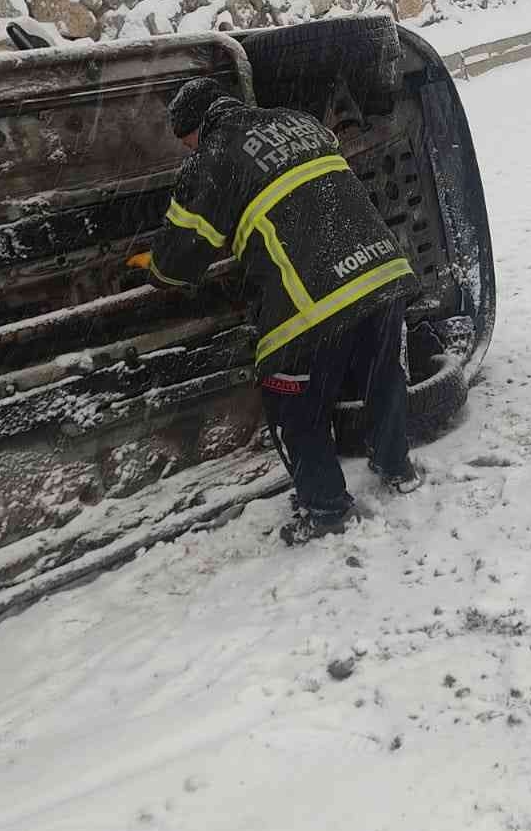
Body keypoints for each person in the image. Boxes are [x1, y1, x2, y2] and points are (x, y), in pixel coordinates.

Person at [143, 76, 422, 545]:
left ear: (196, 129)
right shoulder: (298, 121)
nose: (186, 150)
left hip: (309, 303)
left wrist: (148, 267)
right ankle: (397, 465)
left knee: (296, 408)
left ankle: (326, 510)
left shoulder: (210, 159)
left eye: (184, 142)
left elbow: (174, 266)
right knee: (383, 377)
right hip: (381, 269)